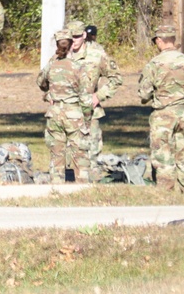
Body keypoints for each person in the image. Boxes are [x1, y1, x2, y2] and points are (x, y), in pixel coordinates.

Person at [138, 24, 184, 194]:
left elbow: (144, 95)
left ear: (159, 40)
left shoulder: (154, 64)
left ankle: (166, 196)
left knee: (163, 158)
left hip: (163, 116)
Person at [65, 20, 123, 180]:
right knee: (68, 154)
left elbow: (116, 78)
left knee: (91, 155)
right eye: (70, 37)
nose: (74, 41)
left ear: (84, 35)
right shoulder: (62, 55)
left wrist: (99, 96)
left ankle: (92, 188)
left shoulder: (97, 55)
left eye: (77, 37)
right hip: (65, 112)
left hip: (89, 112)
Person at [37, 28, 93, 183]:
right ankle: (82, 187)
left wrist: (50, 91)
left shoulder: (51, 65)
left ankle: (57, 185)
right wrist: (87, 121)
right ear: (71, 44)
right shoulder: (78, 67)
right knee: (80, 153)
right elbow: (86, 98)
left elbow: (40, 82)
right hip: (74, 113)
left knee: (57, 153)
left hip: (54, 113)